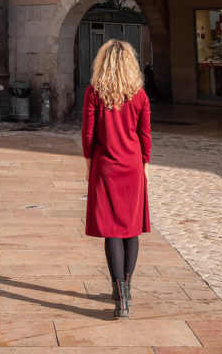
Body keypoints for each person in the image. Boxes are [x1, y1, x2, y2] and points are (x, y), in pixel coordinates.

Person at [82, 39, 151, 319]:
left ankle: (119, 296)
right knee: (131, 229)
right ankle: (127, 288)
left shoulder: (94, 92)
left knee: (112, 229)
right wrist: (144, 163)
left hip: (105, 165)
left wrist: (89, 164)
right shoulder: (139, 94)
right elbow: (145, 134)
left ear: (103, 63)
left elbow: (88, 134)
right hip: (132, 165)